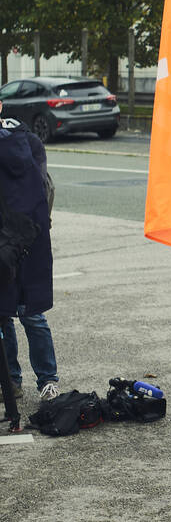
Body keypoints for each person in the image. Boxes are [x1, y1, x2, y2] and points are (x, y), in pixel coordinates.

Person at [0, 112, 59, 402]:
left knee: (8, 314)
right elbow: (45, 188)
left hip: (12, 237)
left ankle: (12, 381)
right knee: (27, 313)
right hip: (31, 235)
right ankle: (43, 381)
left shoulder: (28, 141)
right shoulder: (31, 141)